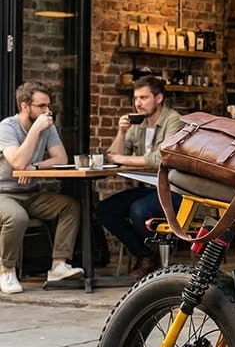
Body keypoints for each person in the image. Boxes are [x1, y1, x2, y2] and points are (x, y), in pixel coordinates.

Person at [0, 81, 84, 294]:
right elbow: (18, 162)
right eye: (41, 106)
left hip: (30, 194)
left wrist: (35, 166)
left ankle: (58, 265)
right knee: (17, 217)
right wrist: (35, 130)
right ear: (25, 106)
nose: (47, 111)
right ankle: (6, 270)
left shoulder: (48, 126)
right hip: (4, 193)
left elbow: (61, 157)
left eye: (48, 106)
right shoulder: (7, 127)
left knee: (69, 206)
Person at [97, 76, 183, 280]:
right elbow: (115, 157)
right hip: (146, 188)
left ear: (159, 98)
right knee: (105, 210)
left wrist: (121, 158)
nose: (138, 103)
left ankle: (148, 259)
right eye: (136, 98)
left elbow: (160, 158)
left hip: (172, 190)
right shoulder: (137, 124)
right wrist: (121, 132)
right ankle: (145, 254)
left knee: (139, 210)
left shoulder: (174, 120)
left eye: (143, 98)